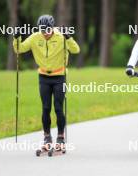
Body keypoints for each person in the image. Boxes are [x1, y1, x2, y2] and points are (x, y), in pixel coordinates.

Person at [13, 14, 80, 149]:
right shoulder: (35, 37)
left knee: (58, 107)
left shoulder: (61, 37)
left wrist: (68, 37)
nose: (45, 33)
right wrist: (16, 38)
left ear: (52, 28)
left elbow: (76, 50)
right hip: (43, 76)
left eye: (48, 30)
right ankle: (47, 137)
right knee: (45, 107)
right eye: (42, 30)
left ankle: (60, 137)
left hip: (60, 76)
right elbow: (19, 49)